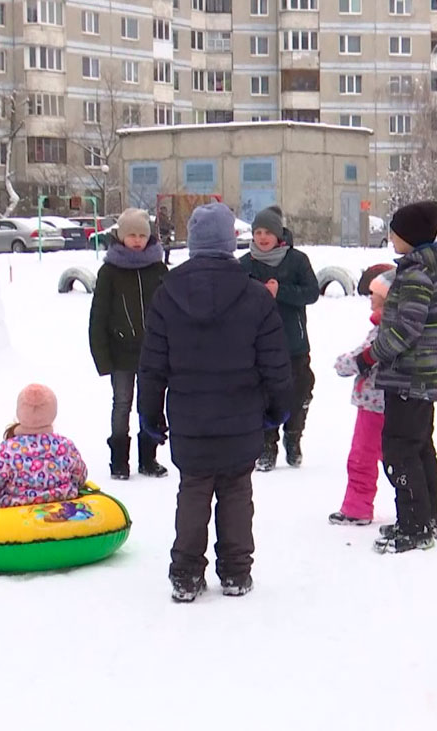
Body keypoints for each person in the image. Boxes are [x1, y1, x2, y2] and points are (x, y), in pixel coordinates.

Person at [138, 203, 293, 602]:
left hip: (190, 418)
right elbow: (275, 362)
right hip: (242, 416)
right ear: (230, 242)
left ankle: (186, 574)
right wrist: (278, 409)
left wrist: (150, 416)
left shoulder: (166, 293)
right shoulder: (255, 296)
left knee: (193, 489)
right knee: (237, 491)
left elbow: (152, 365)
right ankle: (236, 571)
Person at [355, 200, 437, 554]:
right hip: (419, 379)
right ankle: (426, 514)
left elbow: (406, 327)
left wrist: (373, 354)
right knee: (419, 446)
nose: (390, 237)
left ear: (409, 237)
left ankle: (415, 524)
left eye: (394, 232)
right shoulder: (424, 269)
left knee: (399, 451)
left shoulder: (415, 273)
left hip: (408, 377)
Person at [89, 208, 169, 480]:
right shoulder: (109, 272)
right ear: (121, 236)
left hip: (153, 353)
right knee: (122, 404)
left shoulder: (158, 269)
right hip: (121, 353)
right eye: (131, 235)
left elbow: (171, 310)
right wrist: (102, 357)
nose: (137, 240)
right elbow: (98, 316)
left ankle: (149, 458)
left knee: (149, 405)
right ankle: (119, 462)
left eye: (142, 235)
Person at [240, 205, 319, 470]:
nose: (262, 237)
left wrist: (281, 290)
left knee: (298, 394)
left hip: (293, 343)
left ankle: (293, 438)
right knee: (263, 397)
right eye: (258, 232)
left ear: (279, 234)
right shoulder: (244, 264)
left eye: (268, 232)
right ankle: (266, 445)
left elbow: (311, 293)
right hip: (257, 345)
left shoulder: (297, 260)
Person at [329, 271, 393, 526]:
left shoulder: (382, 333)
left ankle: (357, 507)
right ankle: (428, 494)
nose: (370, 297)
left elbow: (360, 359)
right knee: (397, 455)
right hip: (387, 403)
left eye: (375, 294)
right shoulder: (388, 327)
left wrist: (342, 363)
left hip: (373, 405)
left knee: (362, 456)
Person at [0, 384, 87, 507]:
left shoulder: (9, 450)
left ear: (20, 412)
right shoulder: (65, 446)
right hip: (61, 505)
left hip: (15, 512)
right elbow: (80, 476)